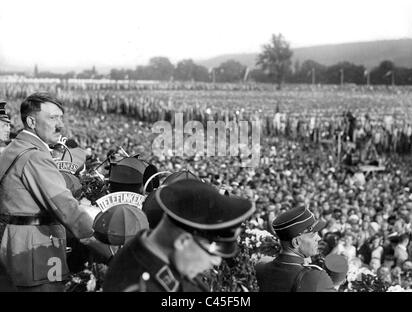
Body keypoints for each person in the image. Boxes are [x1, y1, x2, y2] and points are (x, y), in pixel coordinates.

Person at [0, 92, 98, 292]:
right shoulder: (35, 157)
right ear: (31, 122)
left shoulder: (14, 147)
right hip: (36, 250)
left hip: (14, 244)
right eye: (52, 118)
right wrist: (100, 239)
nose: (60, 125)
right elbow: (66, 208)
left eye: (61, 117)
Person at [103, 179, 255, 292]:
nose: (216, 261)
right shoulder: (140, 286)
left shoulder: (147, 250)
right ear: (183, 241)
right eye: (213, 249)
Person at [255, 206, 335, 292]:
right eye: (313, 234)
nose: (318, 238)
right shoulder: (317, 278)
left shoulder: (260, 267)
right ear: (296, 242)